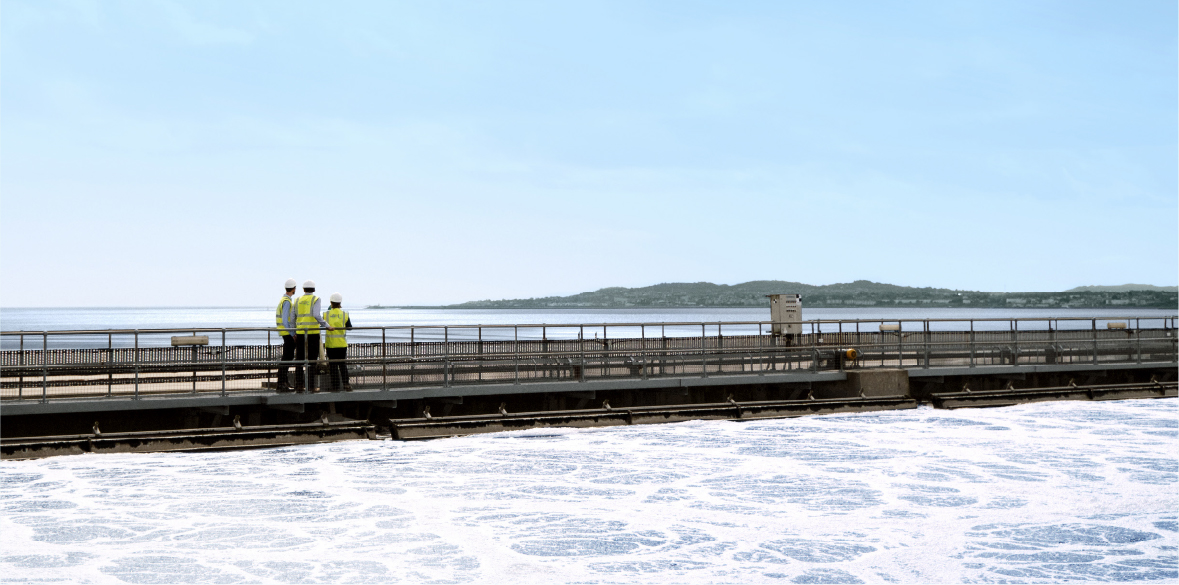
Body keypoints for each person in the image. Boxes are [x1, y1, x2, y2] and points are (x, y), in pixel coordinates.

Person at [294, 280, 331, 393]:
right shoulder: (316, 299)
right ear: (314, 289)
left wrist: (293, 332)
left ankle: (299, 385)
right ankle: (311, 386)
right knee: (312, 360)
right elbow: (316, 315)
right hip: (313, 333)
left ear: (303, 289)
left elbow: (292, 317)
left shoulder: (297, 300)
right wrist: (327, 325)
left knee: (299, 360)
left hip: (300, 333)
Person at [323, 292, 354, 391]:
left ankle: (335, 386)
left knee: (333, 366)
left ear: (331, 302)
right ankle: (346, 384)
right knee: (342, 365)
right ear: (340, 303)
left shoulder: (326, 314)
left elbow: (321, 324)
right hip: (341, 344)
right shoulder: (344, 314)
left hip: (330, 345)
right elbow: (349, 328)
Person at [274, 278, 298, 392]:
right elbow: (285, 320)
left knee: (287, 357)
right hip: (287, 333)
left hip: (284, 332)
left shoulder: (283, 300)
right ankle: (281, 383)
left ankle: (284, 381)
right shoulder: (287, 301)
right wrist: (293, 333)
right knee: (287, 357)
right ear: (294, 289)